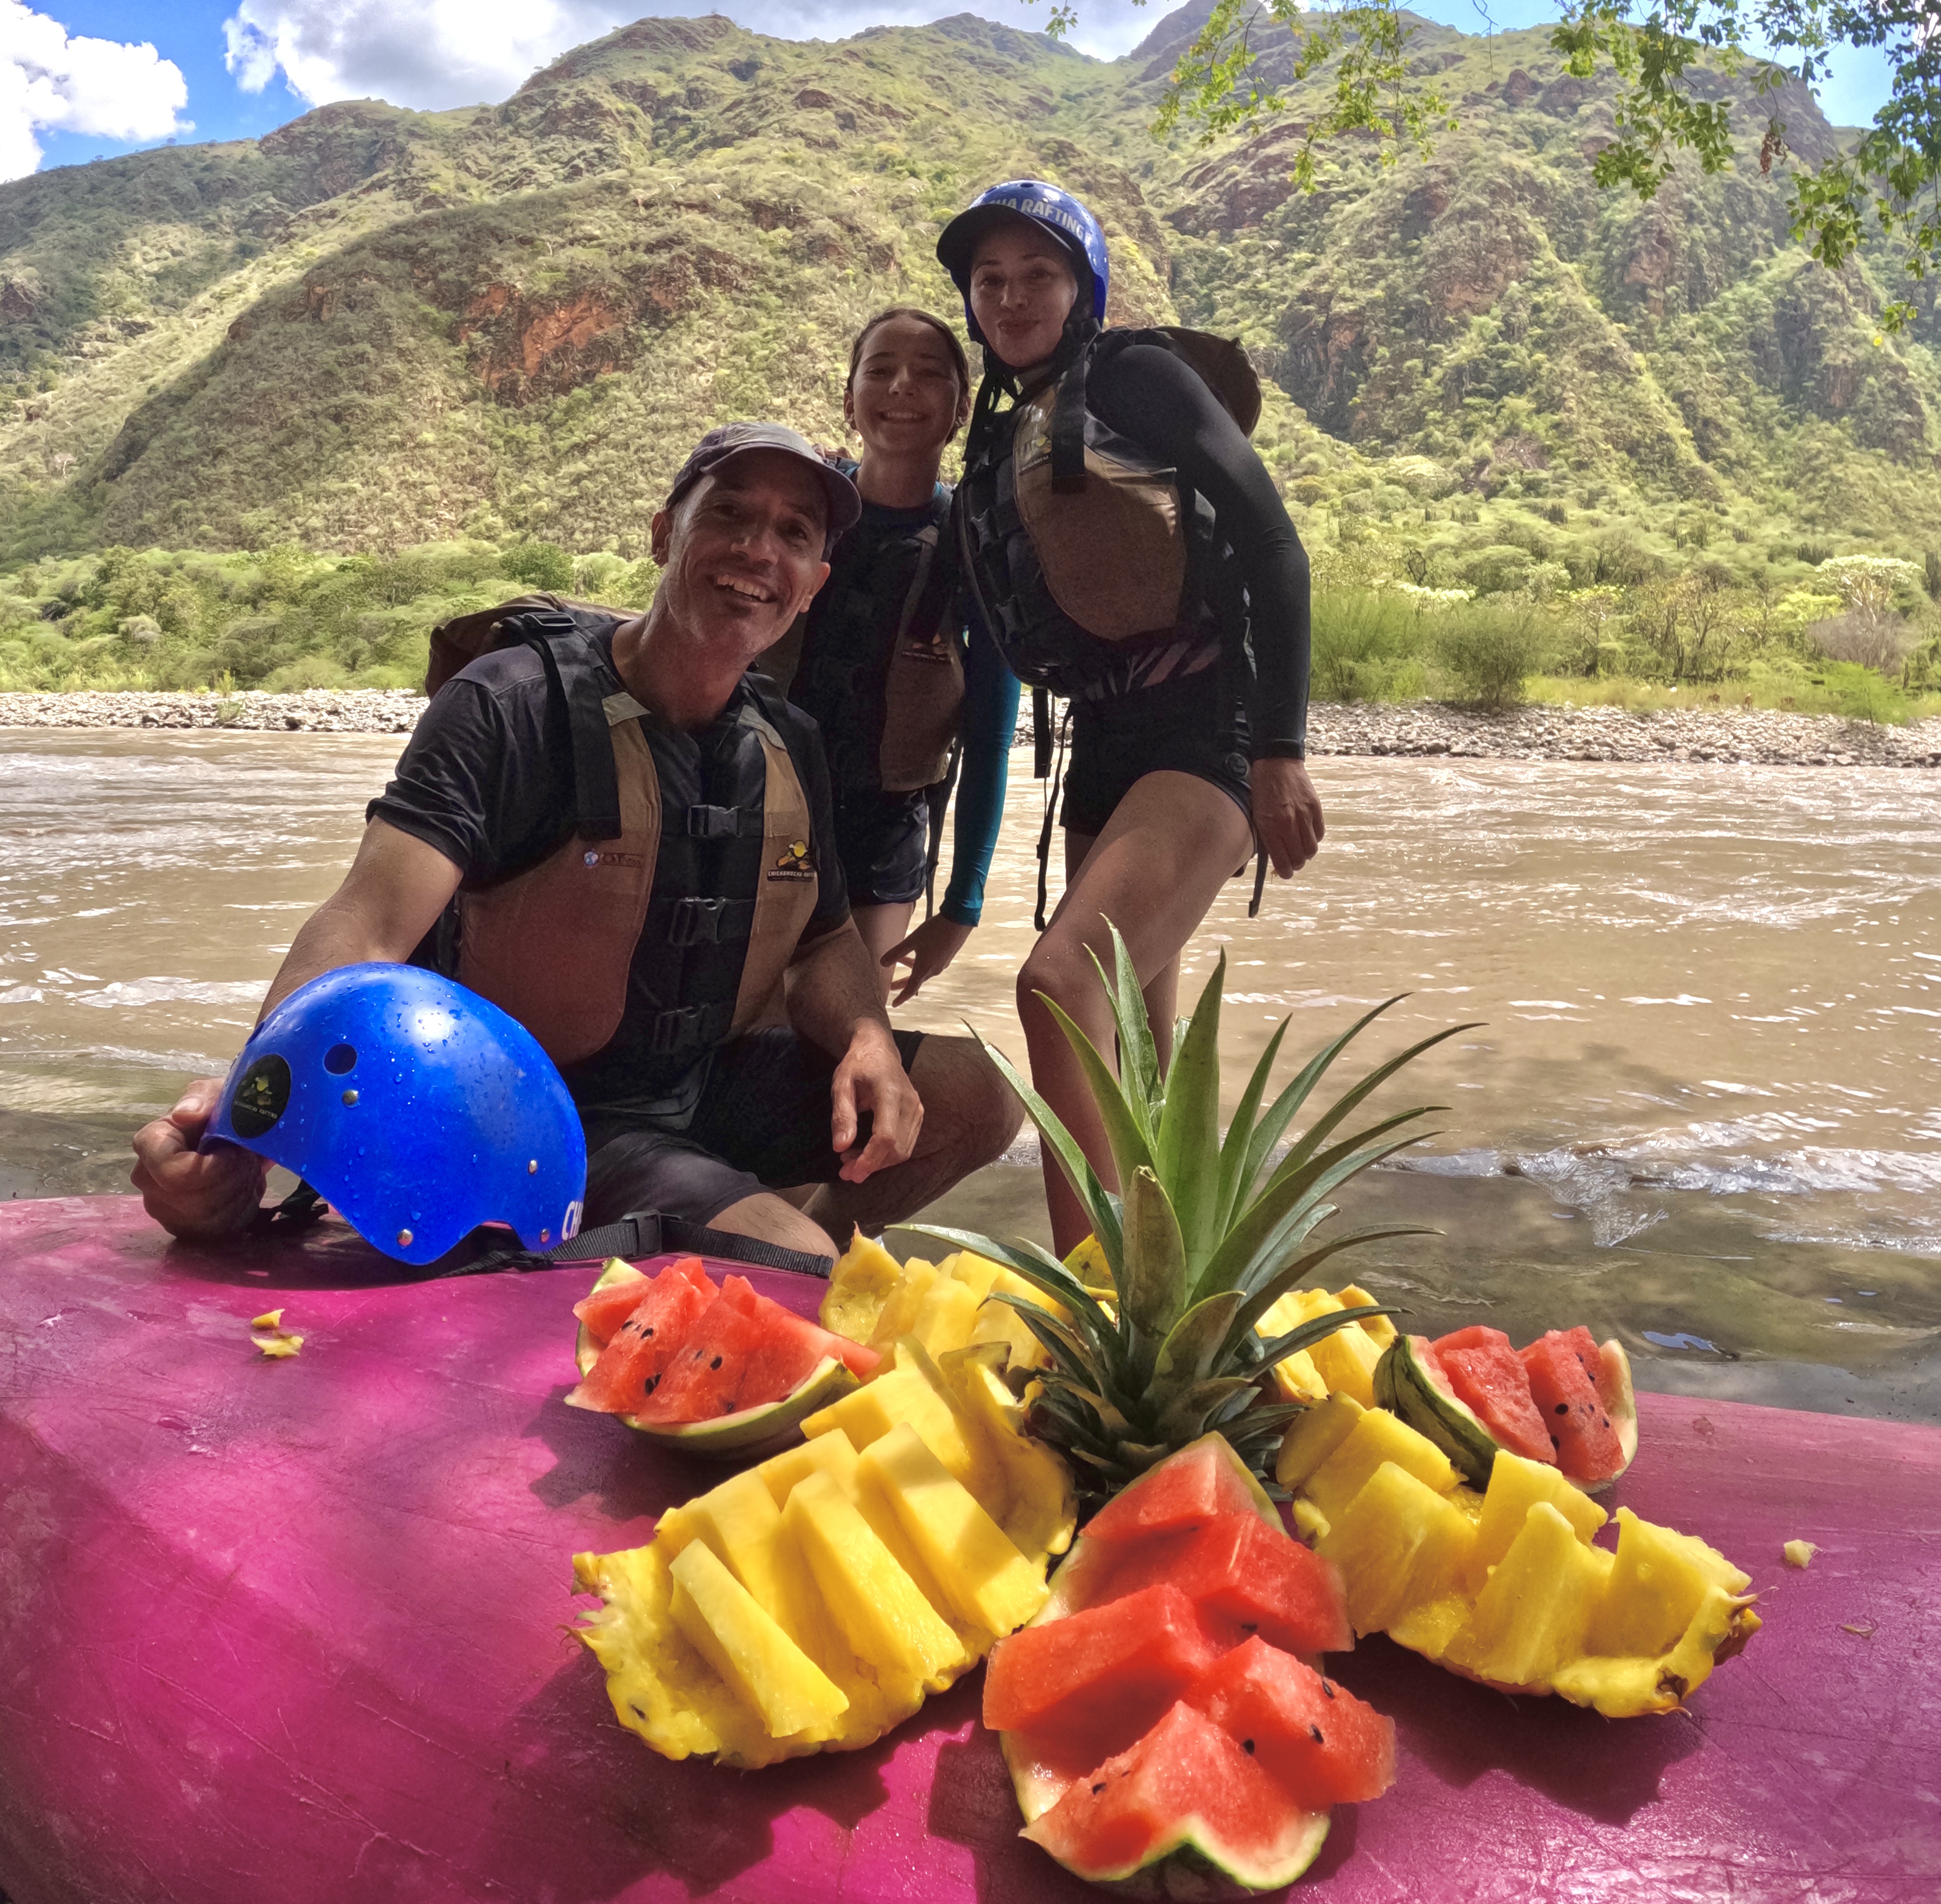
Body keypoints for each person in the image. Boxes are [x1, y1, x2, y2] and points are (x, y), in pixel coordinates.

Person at [131, 422, 1022, 1270]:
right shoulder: (510, 705)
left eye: (794, 534)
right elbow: (366, 925)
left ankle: (782, 1253)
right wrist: (248, 1128)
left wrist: (866, 1034)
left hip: (704, 1085)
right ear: (663, 534)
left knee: (979, 1096)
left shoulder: (790, 742)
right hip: (530, 1114)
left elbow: (826, 937)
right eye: (730, 514)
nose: (760, 551)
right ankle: (754, 1250)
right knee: (787, 1255)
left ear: (814, 582)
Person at [937, 180, 1324, 1251]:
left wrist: (1280, 751)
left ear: (1084, 288)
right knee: (1136, 1053)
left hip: (1208, 726)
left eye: (1038, 277)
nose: (1011, 300)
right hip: (1104, 748)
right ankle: (1179, 1300)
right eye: (990, 282)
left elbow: (1272, 541)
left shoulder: (1132, 376)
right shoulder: (1004, 436)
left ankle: (1098, 1303)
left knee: (1059, 987)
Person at [776, 307, 1019, 1007]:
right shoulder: (798, 515)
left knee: (848, 1030)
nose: (902, 386)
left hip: (885, 831)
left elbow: (991, 738)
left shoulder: (976, 549)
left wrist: (963, 907)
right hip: (764, 809)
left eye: (930, 374)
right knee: (746, 1024)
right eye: (879, 370)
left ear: (961, 410)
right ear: (849, 402)